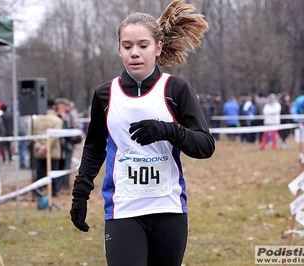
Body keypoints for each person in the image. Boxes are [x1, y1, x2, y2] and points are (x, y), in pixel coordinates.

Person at [69, 1, 215, 265]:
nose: (135, 53)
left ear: (158, 48)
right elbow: (94, 147)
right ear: (119, 50)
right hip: (124, 209)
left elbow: (205, 146)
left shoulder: (176, 90)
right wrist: (80, 194)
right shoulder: (105, 94)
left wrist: (169, 130)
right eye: (127, 46)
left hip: (168, 209)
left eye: (143, 45)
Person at [32, 99, 62, 197]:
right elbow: (55, 136)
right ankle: (53, 192)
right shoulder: (57, 120)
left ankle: (38, 191)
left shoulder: (36, 120)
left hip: (38, 152)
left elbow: (32, 135)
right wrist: (46, 147)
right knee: (53, 173)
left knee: (39, 173)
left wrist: (39, 147)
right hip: (52, 151)